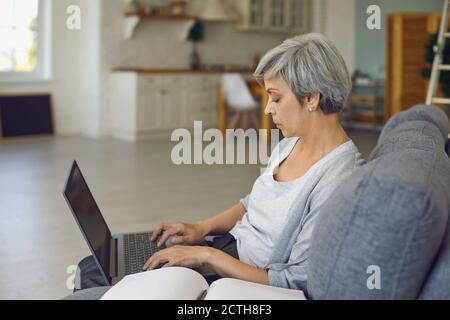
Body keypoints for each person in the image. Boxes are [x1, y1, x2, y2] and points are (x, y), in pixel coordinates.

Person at [64, 32, 365, 300]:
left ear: (312, 98)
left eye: (275, 98)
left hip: (240, 276)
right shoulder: (290, 143)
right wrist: (201, 228)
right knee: (93, 265)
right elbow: (253, 204)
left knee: (96, 276)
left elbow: (295, 281)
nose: (267, 108)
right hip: (224, 248)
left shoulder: (338, 179)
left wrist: (205, 256)